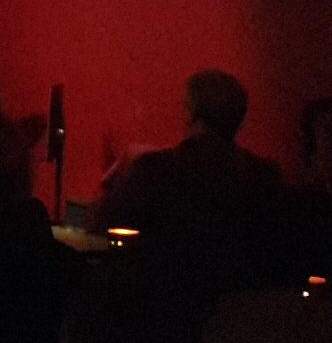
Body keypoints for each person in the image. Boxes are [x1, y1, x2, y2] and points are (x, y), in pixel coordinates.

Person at [94, 67, 282, 300]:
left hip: (164, 304)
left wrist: (115, 179)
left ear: (191, 112)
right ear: (240, 121)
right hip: (241, 306)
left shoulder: (156, 169)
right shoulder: (265, 175)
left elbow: (104, 225)